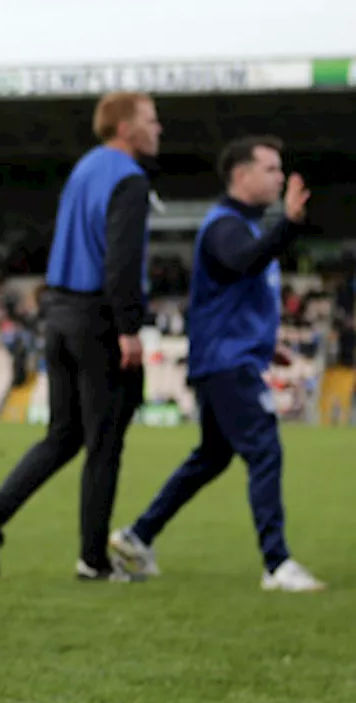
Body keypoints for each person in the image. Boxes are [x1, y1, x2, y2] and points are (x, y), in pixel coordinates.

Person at [109, 136, 325, 592]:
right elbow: (244, 263)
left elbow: (239, 292)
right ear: (241, 175)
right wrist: (288, 223)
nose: (280, 176)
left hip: (232, 358)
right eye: (270, 168)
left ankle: (137, 535)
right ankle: (277, 564)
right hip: (227, 363)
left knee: (211, 457)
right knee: (264, 449)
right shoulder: (224, 226)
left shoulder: (242, 227)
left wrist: (268, 346)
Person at [0, 91, 161, 582]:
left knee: (64, 434)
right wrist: (129, 328)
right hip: (98, 318)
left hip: (58, 314)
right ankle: (92, 561)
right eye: (151, 119)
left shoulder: (83, 171)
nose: (158, 128)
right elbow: (120, 260)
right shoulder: (130, 179)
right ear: (124, 127)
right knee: (104, 442)